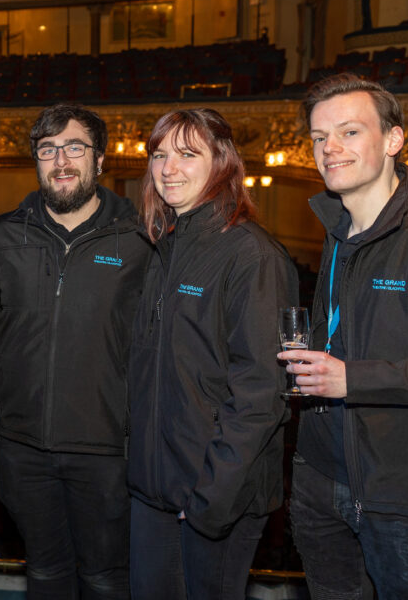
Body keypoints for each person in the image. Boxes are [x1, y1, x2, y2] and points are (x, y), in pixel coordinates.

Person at [0, 103, 150, 599]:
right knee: (44, 573)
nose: (60, 160)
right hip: (23, 445)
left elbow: (161, 327)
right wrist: (29, 335)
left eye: (74, 148)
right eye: (48, 150)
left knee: (106, 577)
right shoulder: (7, 232)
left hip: (107, 447)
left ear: (101, 160)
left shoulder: (139, 237)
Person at [282, 73, 408, 599]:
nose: (330, 148)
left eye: (350, 132)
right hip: (319, 481)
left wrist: (351, 379)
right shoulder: (337, 236)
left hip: (402, 496)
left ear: (393, 141)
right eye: (319, 137)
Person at [127, 108, 297, 600]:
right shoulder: (165, 247)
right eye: (159, 155)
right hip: (155, 491)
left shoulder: (252, 254)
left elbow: (261, 393)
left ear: (221, 162)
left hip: (213, 497)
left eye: (187, 154)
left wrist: (209, 498)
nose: (168, 169)